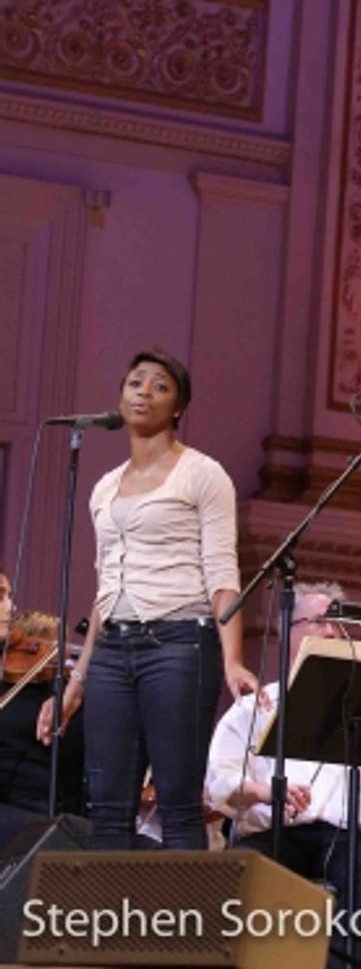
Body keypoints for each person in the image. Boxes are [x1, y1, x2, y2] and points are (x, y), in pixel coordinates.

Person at [39, 349, 258, 849]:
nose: (144, 393)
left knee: (176, 801)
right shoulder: (104, 488)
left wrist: (232, 659)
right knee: (108, 806)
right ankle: (113, 905)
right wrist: (78, 678)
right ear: (120, 395)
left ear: (178, 407)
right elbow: (105, 588)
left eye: (160, 386)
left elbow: (222, 571)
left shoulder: (202, 474)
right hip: (113, 651)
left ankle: (179, 905)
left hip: (179, 644)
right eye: (135, 383)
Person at [206, 581, 361, 969]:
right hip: (273, 832)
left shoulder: (360, 708)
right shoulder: (256, 706)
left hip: (344, 834)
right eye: (318, 622)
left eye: (336, 625)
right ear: (288, 631)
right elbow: (218, 783)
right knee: (244, 864)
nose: (330, 632)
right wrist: (267, 792)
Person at [0, 608, 85, 849]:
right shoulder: (63, 697)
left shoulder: (64, 696)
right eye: (33, 646)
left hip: (45, 813)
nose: (51, 652)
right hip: (31, 813)